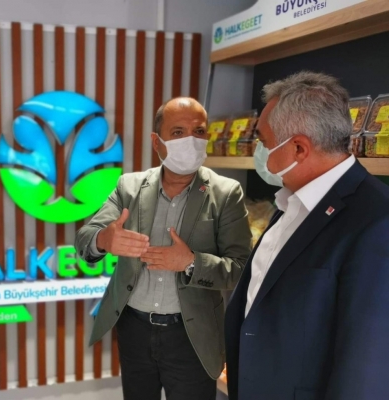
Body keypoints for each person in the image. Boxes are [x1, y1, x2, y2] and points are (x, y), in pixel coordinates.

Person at [224, 72, 389, 400]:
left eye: (264, 143)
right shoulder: (292, 199)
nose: (260, 151)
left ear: (298, 148)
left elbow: (365, 367)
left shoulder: (376, 221)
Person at [76, 97, 251, 400]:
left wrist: (191, 262)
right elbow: (84, 239)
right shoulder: (129, 187)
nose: (191, 141)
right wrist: (104, 239)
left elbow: (239, 268)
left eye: (199, 131)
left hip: (191, 335)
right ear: (157, 141)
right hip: (134, 329)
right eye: (178, 132)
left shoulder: (226, 193)